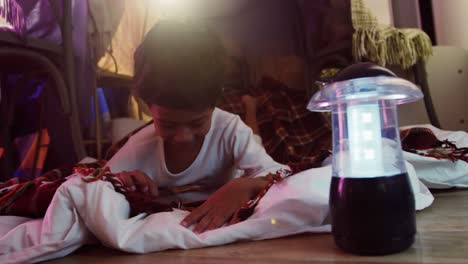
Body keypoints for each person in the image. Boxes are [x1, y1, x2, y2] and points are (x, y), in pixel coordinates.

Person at [106, 21, 288, 234]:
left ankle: (250, 107)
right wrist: (119, 183)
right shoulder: (140, 146)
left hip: (239, 153)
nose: (183, 137)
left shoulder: (229, 129)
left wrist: (246, 185)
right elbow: (98, 182)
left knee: (253, 139)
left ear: (216, 103)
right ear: (147, 107)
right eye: (167, 124)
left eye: (197, 123)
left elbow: (280, 173)